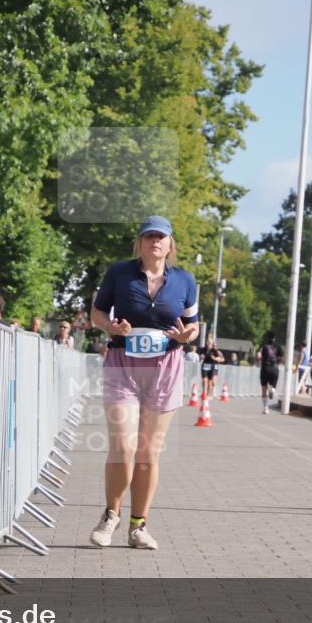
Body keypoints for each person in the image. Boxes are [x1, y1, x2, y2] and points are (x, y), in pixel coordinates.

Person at [88, 215, 199, 550]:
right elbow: (97, 314)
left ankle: (138, 526)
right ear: (139, 242)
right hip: (123, 364)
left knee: (148, 452)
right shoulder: (119, 273)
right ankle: (110, 515)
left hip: (165, 368)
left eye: (161, 237)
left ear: (170, 243)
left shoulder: (184, 280)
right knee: (123, 447)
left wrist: (187, 336)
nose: (155, 241)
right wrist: (111, 327)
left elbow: (193, 325)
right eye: (149, 236)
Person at [255, 330, 281, 414]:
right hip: (274, 369)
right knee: (273, 385)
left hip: (265, 369)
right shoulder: (278, 346)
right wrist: (277, 362)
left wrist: (261, 358)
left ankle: (266, 408)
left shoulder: (263, 346)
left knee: (264, 389)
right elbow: (281, 357)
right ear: (274, 338)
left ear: (267, 337)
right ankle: (273, 389)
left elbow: (258, 356)